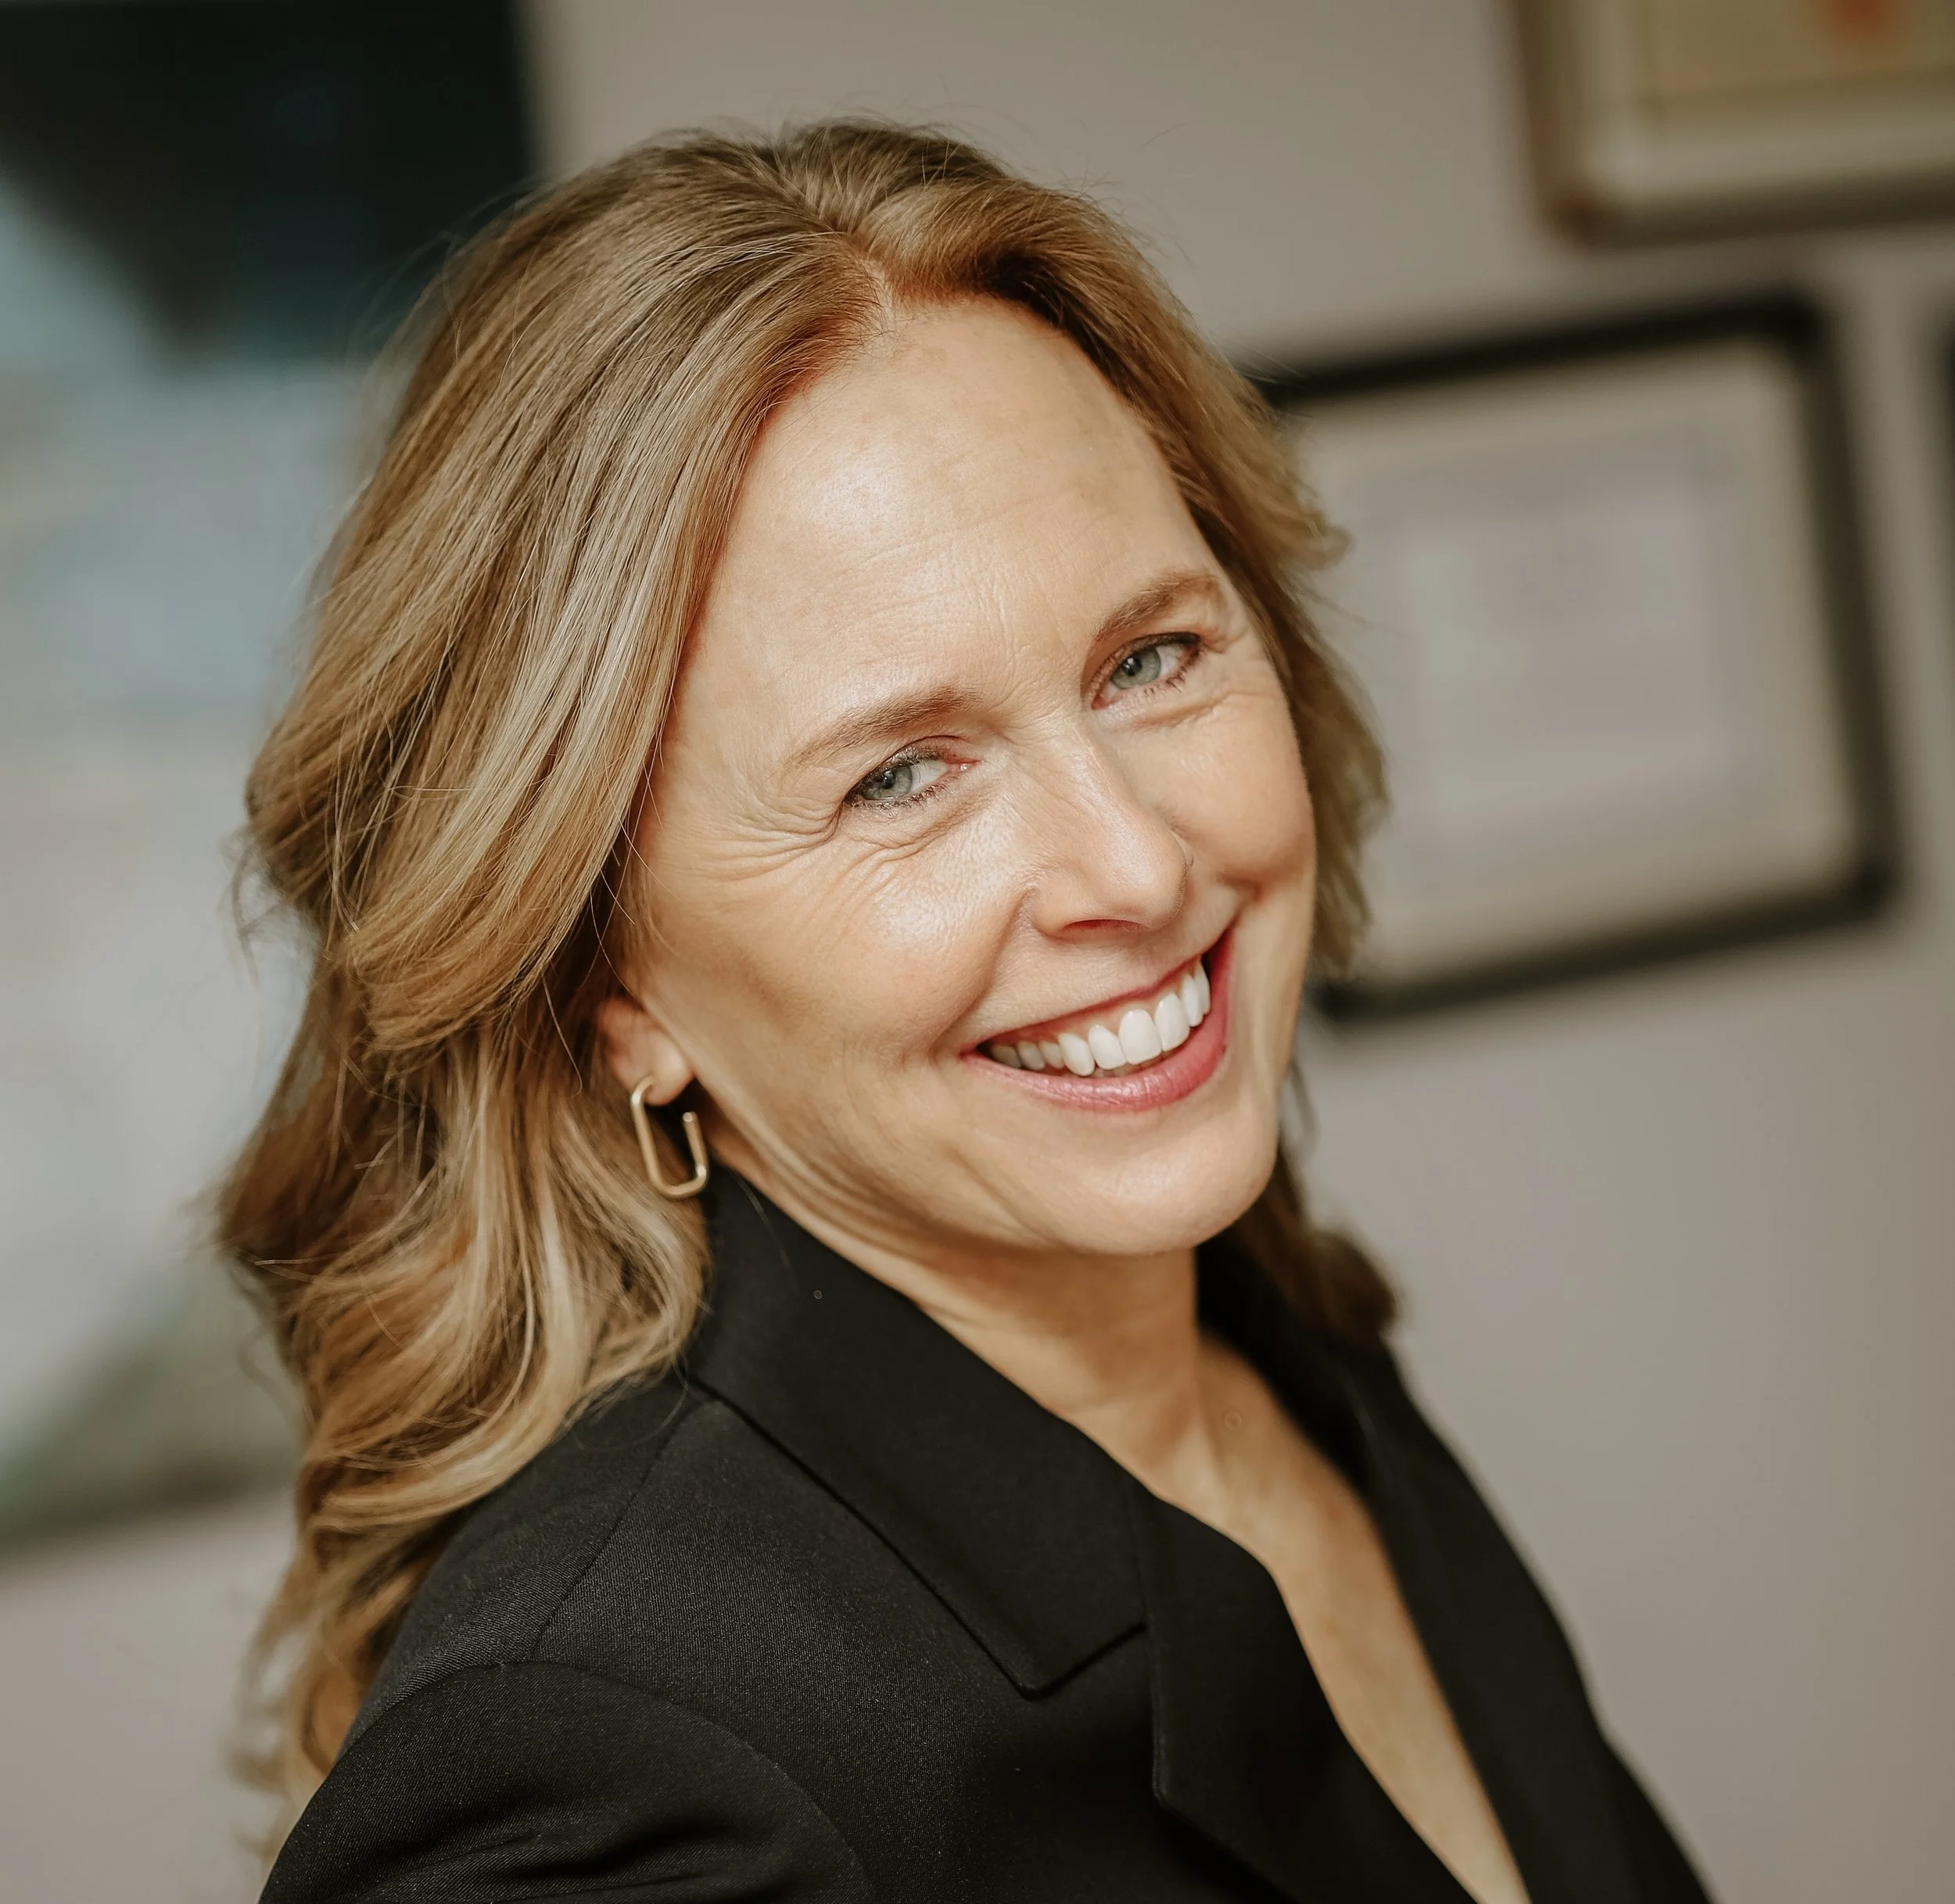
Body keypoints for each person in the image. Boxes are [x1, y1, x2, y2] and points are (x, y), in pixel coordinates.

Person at [228, 122, 1712, 1904]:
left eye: (1149, 658)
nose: (1134, 866)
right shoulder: (613, 1776)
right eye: (900, 776)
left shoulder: (1284, 1357)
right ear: (608, 985)